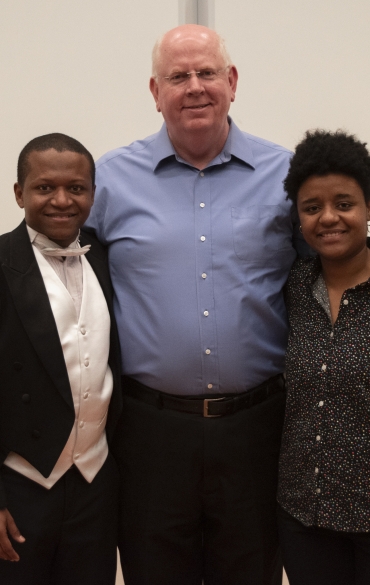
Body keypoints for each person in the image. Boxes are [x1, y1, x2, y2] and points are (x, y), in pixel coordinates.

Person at [85, 24, 307, 585]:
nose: (194, 87)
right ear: (154, 92)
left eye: (206, 72)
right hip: (150, 432)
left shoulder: (287, 177)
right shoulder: (108, 182)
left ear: (232, 82)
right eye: (177, 76)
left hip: (256, 428)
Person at [0, 133, 122, 585]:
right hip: (21, 481)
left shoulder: (108, 258)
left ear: (92, 193)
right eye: (44, 187)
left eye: (76, 188)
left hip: (95, 477)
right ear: (19, 193)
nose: (61, 200)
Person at [277, 130, 370, 585]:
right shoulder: (294, 288)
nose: (328, 218)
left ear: (368, 209)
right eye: (312, 208)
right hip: (304, 514)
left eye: (344, 204)